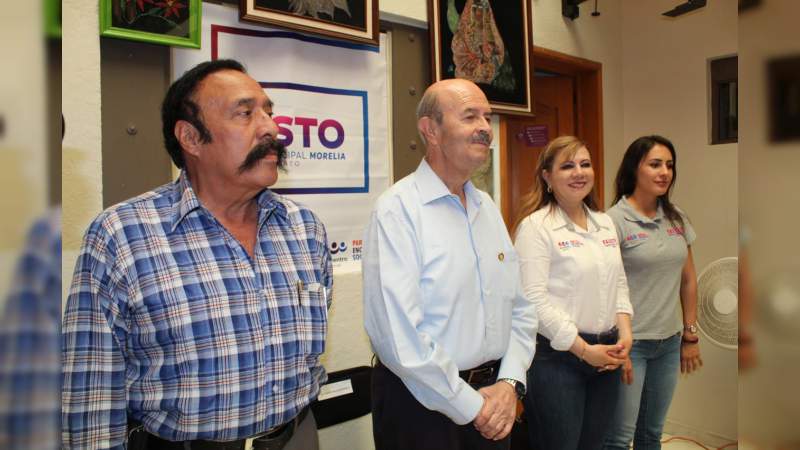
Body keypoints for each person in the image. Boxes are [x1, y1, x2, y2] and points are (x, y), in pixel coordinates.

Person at [61, 59, 333, 450]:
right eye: (245, 114)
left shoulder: (305, 229)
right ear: (190, 138)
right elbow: (91, 399)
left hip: (296, 437)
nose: (271, 128)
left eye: (269, 113)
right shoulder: (122, 236)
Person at [362, 78, 537, 450]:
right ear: (431, 130)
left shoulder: (486, 208)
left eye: (487, 117)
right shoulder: (397, 210)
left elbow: (519, 309)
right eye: (470, 116)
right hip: (420, 409)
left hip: (495, 398)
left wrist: (509, 384)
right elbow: (398, 336)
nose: (485, 128)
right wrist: (474, 406)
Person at [512, 136, 634, 450]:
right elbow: (533, 300)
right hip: (557, 360)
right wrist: (583, 350)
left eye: (585, 164)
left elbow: (618, 283)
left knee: (594, 445)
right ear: (547, 177)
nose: (579, 172)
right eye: (567, 166)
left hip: (607, 354)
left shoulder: (605, 223)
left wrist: (625, 334)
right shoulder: (535, 227)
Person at [603, 135, 701, 450]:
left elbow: (688, 280)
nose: (664, 172)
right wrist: (620, 345)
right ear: (635, 169)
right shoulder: (612, 222)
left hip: (669, 343)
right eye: (655, 164)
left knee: (652, 433)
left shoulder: (677, 217)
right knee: (619, 438)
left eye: (669, 165)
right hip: (631, 344)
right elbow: (605, 288)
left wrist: (690, 335)